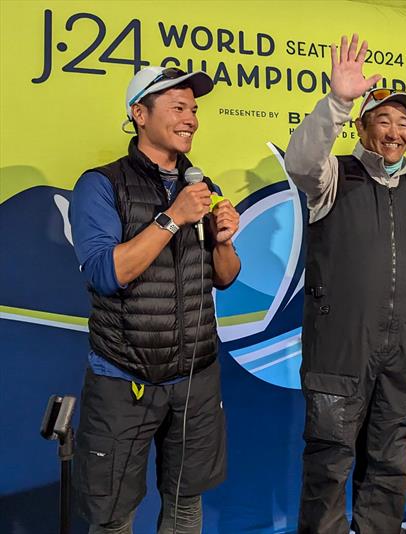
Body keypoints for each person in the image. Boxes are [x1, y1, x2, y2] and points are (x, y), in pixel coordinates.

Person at [69, 66, 241, 533]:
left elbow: (224, 279)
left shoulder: (203, 188)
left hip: (195, 378)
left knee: (187, 504)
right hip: (123, 378)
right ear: (138, 114)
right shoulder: (100, 185)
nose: (190, 119)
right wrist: (170, 218)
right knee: (112, 515)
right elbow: (107, 274)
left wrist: (223, 241)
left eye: (193, 109)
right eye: (177, 107)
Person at [284, 34, 406, 534]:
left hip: (398, 351)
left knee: (390, 466)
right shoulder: (335, 176)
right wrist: (338, 102)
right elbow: (300, 162)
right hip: (340, 351)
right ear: (365, 127)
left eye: (403, 122)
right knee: (329, 466)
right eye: (384, 120)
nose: (395, 131)